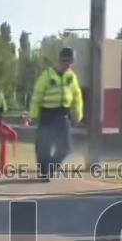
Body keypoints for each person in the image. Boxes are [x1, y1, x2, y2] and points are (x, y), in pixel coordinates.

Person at [29, 47, 83, 180]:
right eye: (66, 63)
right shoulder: (46, 76)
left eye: (70, 63)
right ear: (60, 61)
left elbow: (77, 97)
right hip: (47, 114)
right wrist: (33, 115)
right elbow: (37, 96)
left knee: (66, 148)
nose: (68, 66)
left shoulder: (71, 76)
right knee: (43, 147)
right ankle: (44, 173)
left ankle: (50, 168)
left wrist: (78, 113)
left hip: (63, 115)